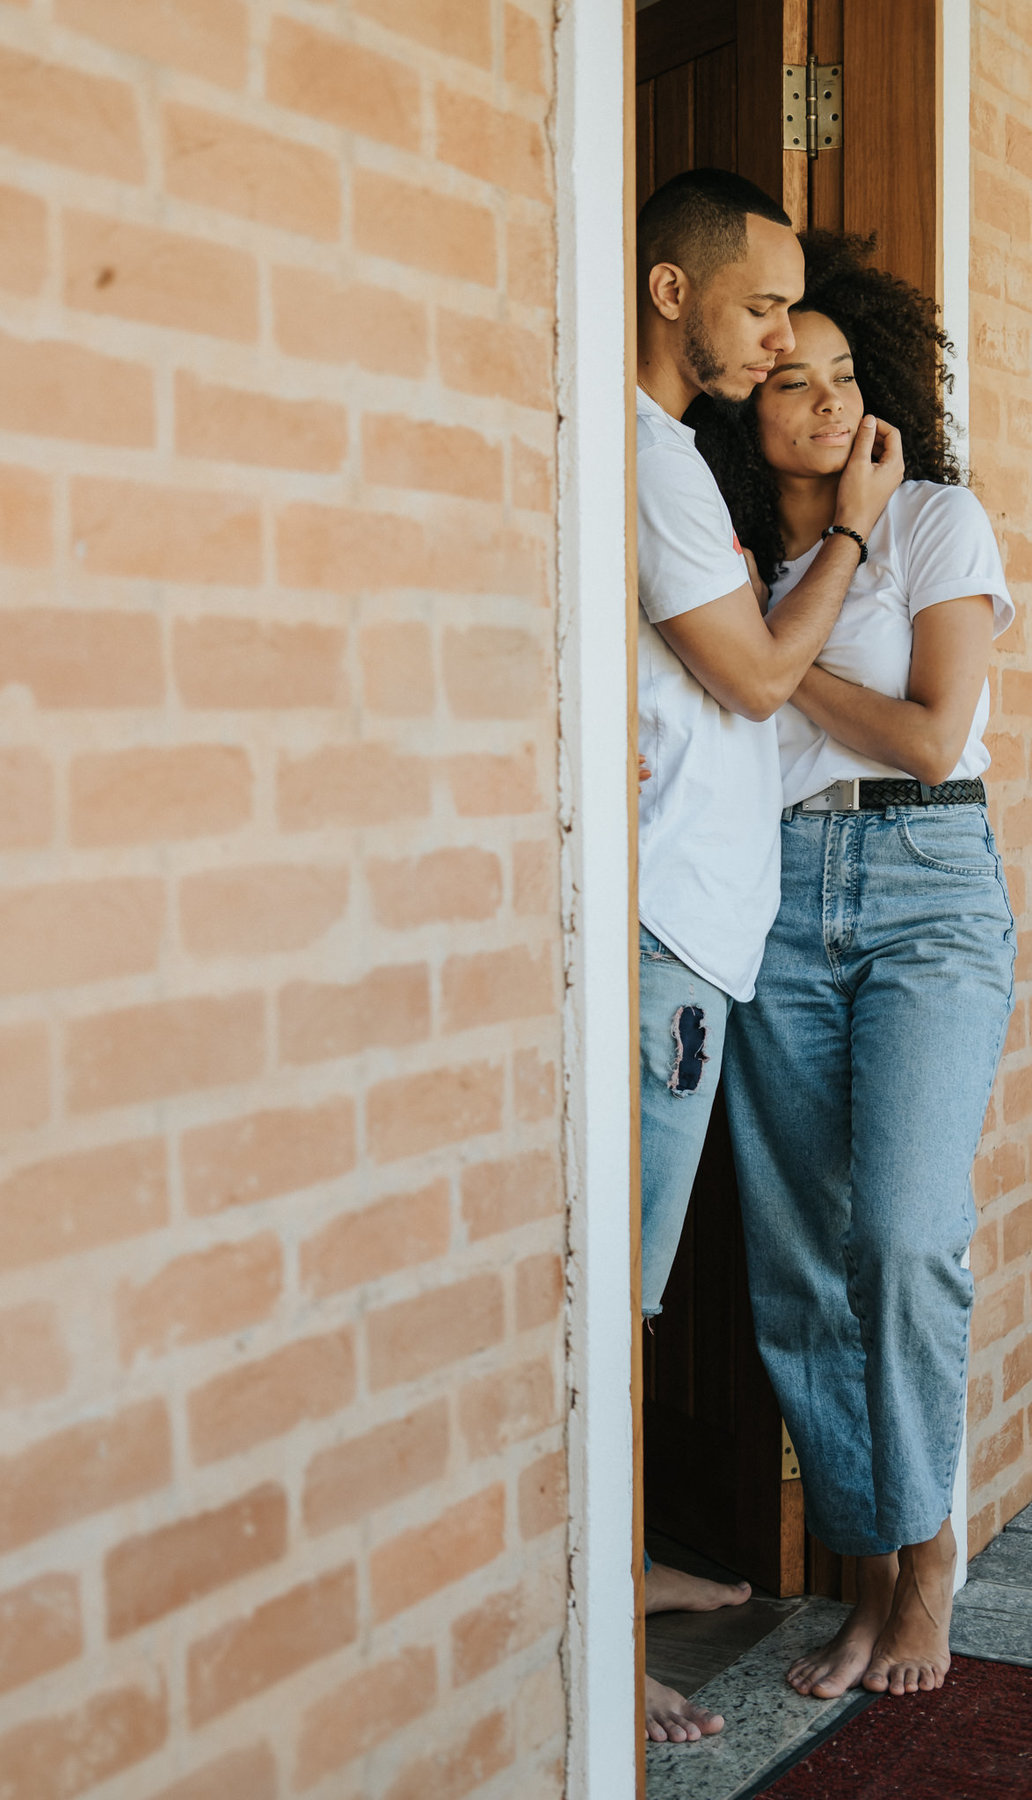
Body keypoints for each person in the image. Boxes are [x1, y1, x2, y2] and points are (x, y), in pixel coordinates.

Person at [692, 232, 1016, 1701]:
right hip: (775, 894)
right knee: (800, 1270)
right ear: (748, 406)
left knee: (898, 1233)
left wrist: (763, 649)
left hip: (926, 884)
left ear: (877, 395)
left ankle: (930, 1561)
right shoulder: (727, 552)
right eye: (792, 379)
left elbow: (929, 736)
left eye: (845, 377)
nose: (823, 402)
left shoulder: (934, 522)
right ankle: (871, 1577)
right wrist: (774, 614)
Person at [634, 172, 904, 1743]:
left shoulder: (673, 464)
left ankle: (626, 1561)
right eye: (759, 316)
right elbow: (749, 683)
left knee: (648, 1278)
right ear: (675, 295)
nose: (774, 344)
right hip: (676, 930)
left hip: (704, 931)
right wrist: (855, 537)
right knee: (628, 1293)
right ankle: (600, 1627)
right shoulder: (660, 462)